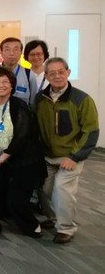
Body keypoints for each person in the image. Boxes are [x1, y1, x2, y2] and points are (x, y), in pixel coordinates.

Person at [35, 57, 99, 244]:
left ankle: (66, 228)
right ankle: (54, 218)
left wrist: (74, 156)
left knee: (62, 189)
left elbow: (91, 131)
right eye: (52, 73)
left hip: (70, 157)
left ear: (68, 72)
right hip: (47, 156)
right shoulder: (41, 98)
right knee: (44, 189)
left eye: (61, 72)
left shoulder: (82, 99)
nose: (57, 76)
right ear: (46, 75)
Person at [0, 67, 46, 238]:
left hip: (23, 160)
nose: (0, 85)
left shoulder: (19, 106)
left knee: (15, 200)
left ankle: (31, 225)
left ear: (12, 85)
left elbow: (21, 139)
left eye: (5, 82)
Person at [0, 37, 38, 105]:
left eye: (16, 49)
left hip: (21, 114)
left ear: (21, 53)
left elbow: (33, 103)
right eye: (7, 49)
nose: (12, 53)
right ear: (1, 53)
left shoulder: (29, 74)